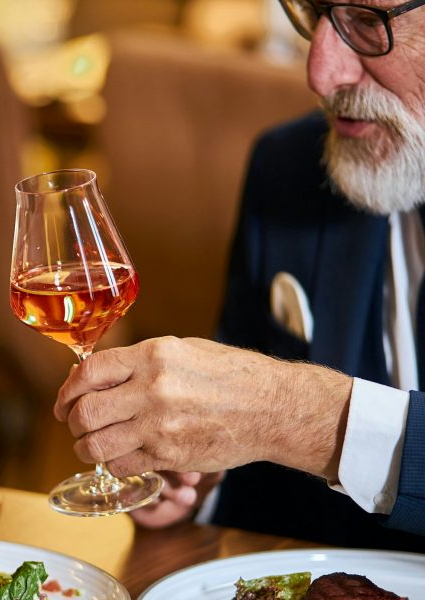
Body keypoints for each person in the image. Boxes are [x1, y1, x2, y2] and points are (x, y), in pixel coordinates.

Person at [54, 0, 425, 549]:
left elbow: (276, 415)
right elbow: (268, 477)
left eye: (369, 22)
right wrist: (195, 482)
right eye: (313, 12)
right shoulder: (291, 165)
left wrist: (303, 414)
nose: (319, 74)